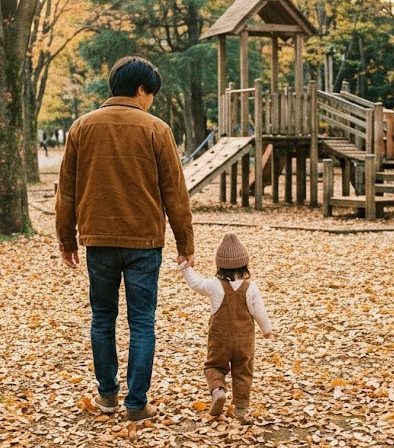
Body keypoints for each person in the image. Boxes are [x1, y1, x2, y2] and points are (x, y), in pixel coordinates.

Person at [56, 56, 194, 422]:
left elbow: (65, 191)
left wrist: (66, 239)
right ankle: (136, 404)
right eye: (151, 93)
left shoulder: (81, 127)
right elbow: (175, 194)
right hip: (144, 242)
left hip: (98, 240)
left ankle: (107, 397)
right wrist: (186, 244)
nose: (152, 101)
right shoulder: (156, 129)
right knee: (142, 322)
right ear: (140, 90)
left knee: (102, 318)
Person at [178, 233, 272, 423]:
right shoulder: (250, 287)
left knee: (213, 366)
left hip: (219, 339)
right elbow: (259, 311)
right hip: (244, 340)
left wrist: (184, 267)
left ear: (219, 265)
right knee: (243, 371)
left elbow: (195, 283)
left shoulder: (214, 285)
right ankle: (240, 408)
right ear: (245, 264)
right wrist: (266, 329)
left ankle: (218, 390)